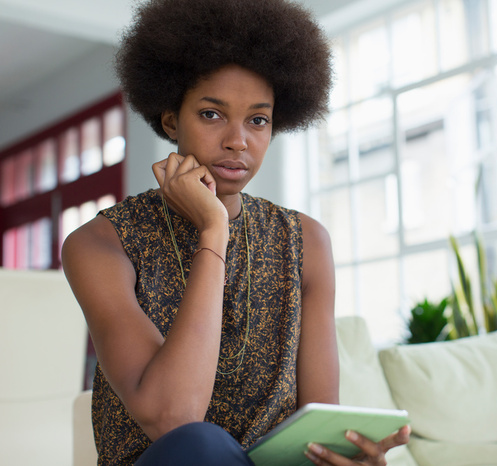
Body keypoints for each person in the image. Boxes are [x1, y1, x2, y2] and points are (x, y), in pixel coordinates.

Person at [61, 0, 410, 464]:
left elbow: (318, 421)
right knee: (201, 443)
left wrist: (347, 456)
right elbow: (172, 417)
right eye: (211, 114)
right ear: (171, 120)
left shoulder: (305, 242)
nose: (238, 140)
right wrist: (213, 229)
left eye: (258, 120)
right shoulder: (102, 243)